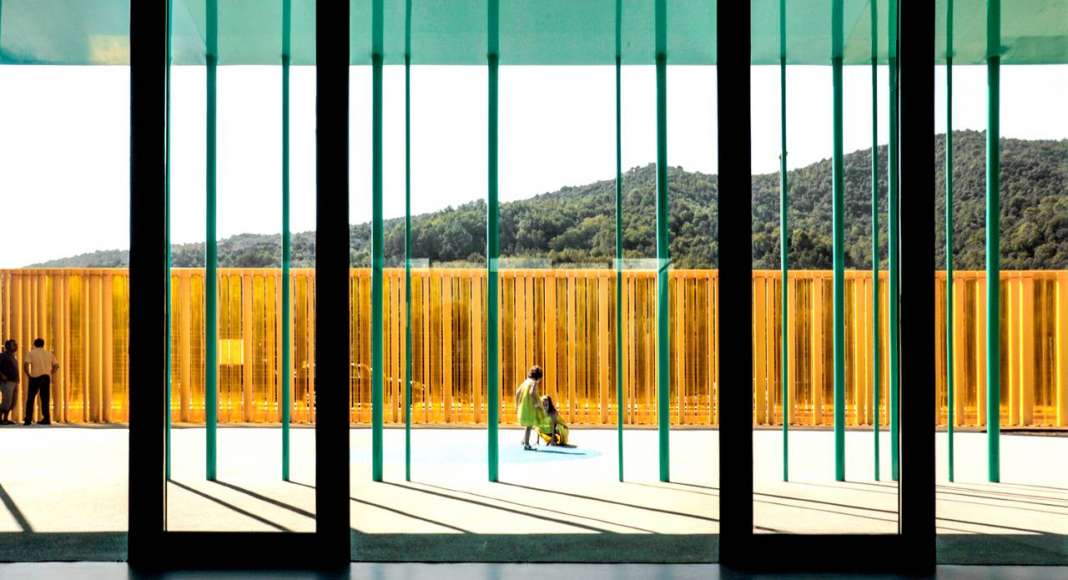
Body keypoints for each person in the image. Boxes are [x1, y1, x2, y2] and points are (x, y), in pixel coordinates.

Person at [23, 337, 58, 426]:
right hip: (46, 377)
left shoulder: (31, 353)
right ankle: (46, 419)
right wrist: (51, 373)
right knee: (45, 399)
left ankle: (28, 419)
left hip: (35, 377)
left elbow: (26, 365)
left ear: (34, 344)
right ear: (43, 344)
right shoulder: (49, 353)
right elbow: (56, 366)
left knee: (31, 398)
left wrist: (28, 375)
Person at [514, 365, 543, 450]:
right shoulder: (533, 382)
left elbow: (517, 392)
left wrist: (517, 405)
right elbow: (531, 392)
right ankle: (526, 444)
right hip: (529, 407)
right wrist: (536, 403)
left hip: (523, 406)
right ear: (538, 377)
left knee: (528, 425)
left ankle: (524, 440)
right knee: (529, 426)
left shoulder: (526, 381)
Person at [0, 340, 18, 425]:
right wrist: (2, 375)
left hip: (14, 381)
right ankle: (1, 419)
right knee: (7, 401)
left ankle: (6, 419)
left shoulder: (13, 356)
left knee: (12, 402)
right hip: (7, 382)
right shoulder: (3, 356)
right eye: (14, 345)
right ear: (8, 346)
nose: (16, 346)